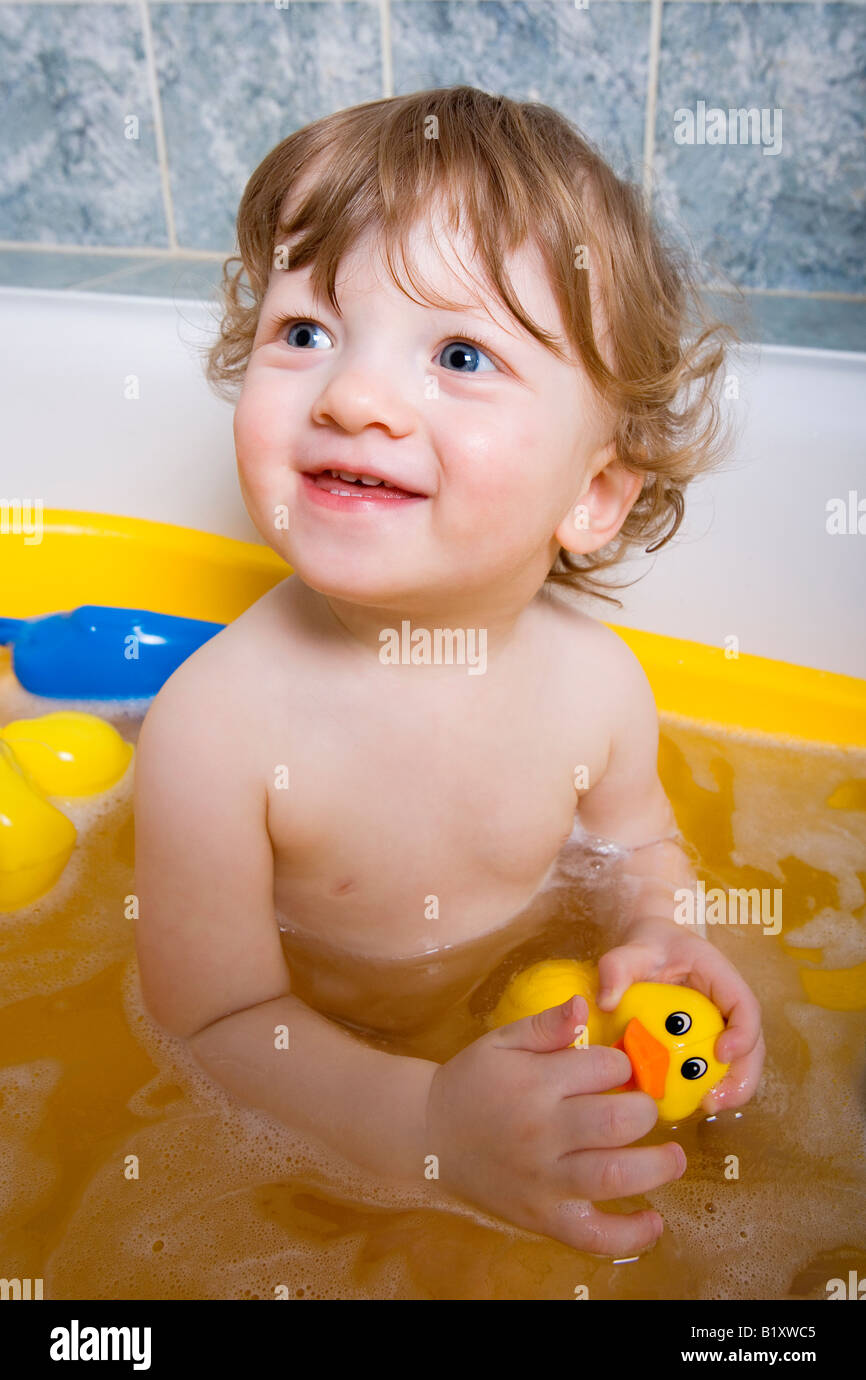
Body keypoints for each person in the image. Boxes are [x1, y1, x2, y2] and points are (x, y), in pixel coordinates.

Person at [133, 86, 764, 1257]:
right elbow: (215, 1021)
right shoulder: (213, 727)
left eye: (460, 353)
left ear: (592, 493)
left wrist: (663, 931)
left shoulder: (597, 682)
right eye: (304, 333)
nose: (352, 397)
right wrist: (424, 1124)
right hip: (321, 1103)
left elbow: (638, 845)